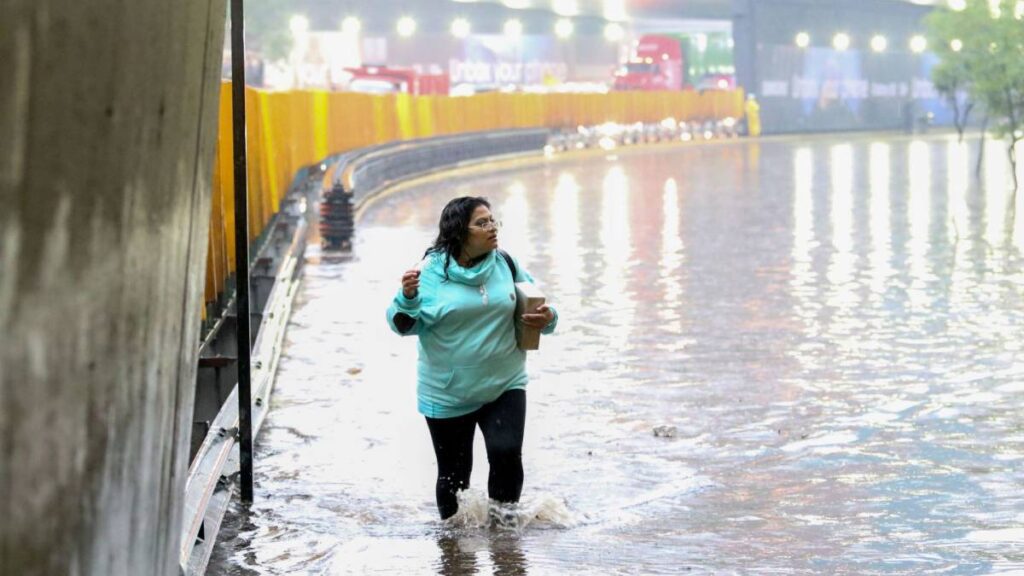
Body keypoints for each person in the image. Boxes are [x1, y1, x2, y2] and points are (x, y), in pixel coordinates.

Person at [386, 196, 558, 520]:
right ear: (458, 233)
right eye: (482, 223)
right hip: (448, 392)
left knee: (507, 456)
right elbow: (402, 325)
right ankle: (453, 552)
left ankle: (505, 543)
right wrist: (406, 298)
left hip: (505, 383)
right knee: (455, 475)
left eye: (493, 221)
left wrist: (548, 318)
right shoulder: (430, 273)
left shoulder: (505, 263)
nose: (492, 228)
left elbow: (537, 303)